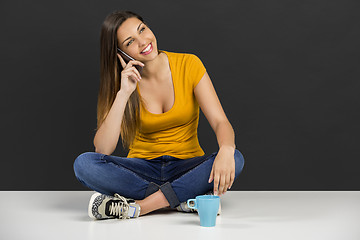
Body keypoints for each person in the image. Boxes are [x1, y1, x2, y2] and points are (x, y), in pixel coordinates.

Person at [73, 10, 245, 220]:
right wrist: (124, 93)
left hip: (187, 166)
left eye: (142, 30)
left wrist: (227, 148)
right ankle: (183, 198)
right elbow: (103, 149)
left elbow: (220, 122)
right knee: (83, 164)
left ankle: (141, 206)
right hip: (142, 169)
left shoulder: (189, 64)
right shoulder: (124, 83)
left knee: (235, 158)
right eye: (130, 42)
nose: (143, 41)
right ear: (120, 53)